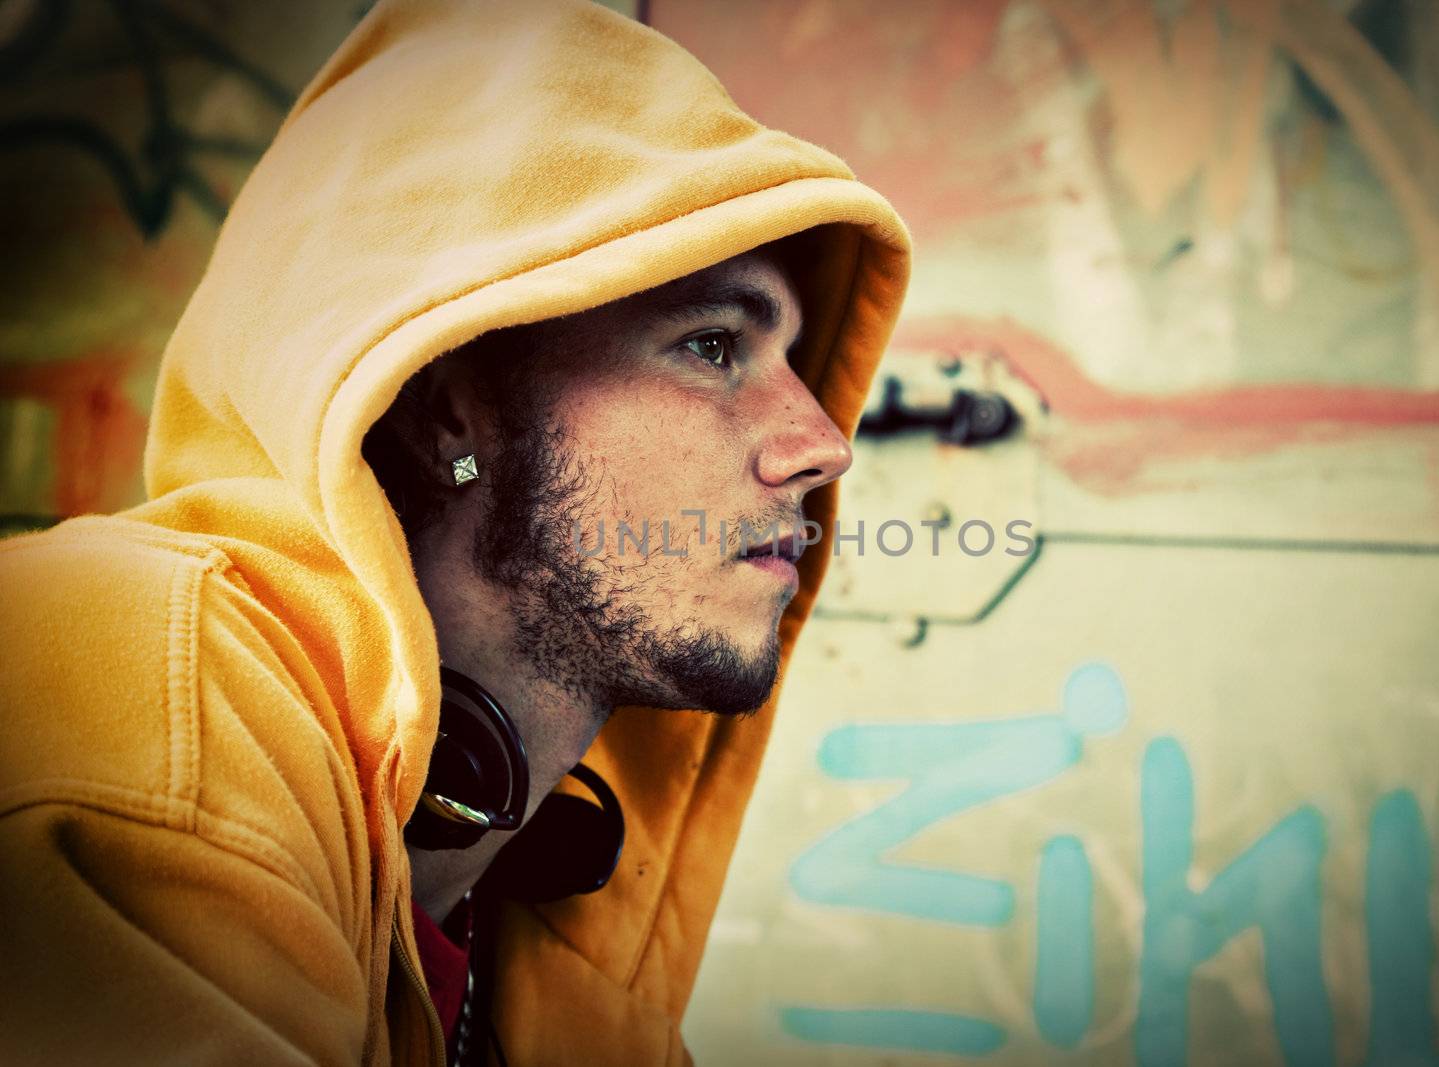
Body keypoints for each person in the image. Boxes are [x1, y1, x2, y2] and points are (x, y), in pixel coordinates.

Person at [0, 1, 911, 1064]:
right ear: (448, 412)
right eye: (710, 346)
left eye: (798, 364)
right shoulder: (134, 686)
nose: (819, 443)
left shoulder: (547, 965)